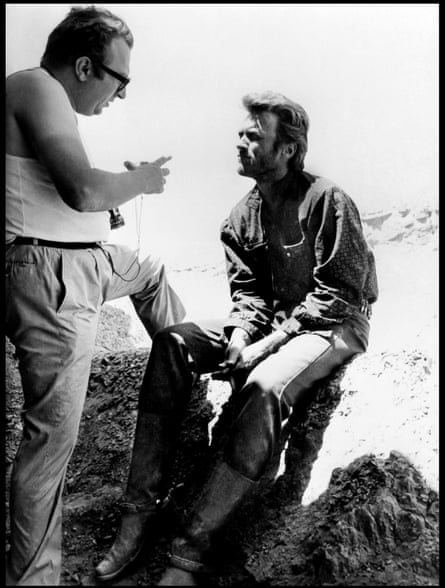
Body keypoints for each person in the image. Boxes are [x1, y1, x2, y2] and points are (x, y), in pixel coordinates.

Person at [95, 91, 378, 586]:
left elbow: (339, 293)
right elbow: (249, 296)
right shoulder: (239, 217)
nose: (241, 143)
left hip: (334, 325)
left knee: (264, 387)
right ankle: (137, 515)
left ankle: (189, 553)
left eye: (254, 135)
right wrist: (243, 333)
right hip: (274, 327)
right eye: (241, 134)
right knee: (171, 344)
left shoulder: (327, 200)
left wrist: (265, 346)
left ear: (288, 148)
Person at [5, 6, 186, 585]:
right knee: (50, 445)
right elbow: (81, 189)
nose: (122, 94)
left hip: (82, 263)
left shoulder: (41, 99)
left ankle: (186, 371)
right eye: (119, 80)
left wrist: (108, 202)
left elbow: (60, 194)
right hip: (53, 281)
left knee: (151, 271)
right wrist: (139, 182)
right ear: (85, 65)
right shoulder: (36, 86)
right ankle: (34, 580)